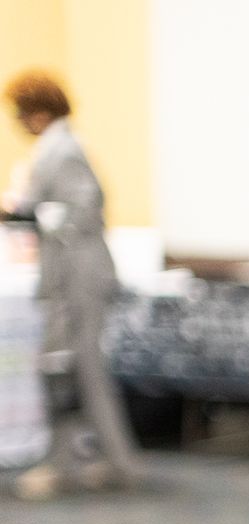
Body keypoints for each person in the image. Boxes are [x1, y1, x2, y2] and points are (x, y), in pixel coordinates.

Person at [3, 70, 140, 499]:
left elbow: (82, 210)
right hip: (69, 275)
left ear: (38, 112)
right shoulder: (58, 149)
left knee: (66, 369)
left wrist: (25, 214)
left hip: (77, 278)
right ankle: (114, 460)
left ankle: (68, 462)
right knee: (75, 371)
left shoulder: (64, 151)